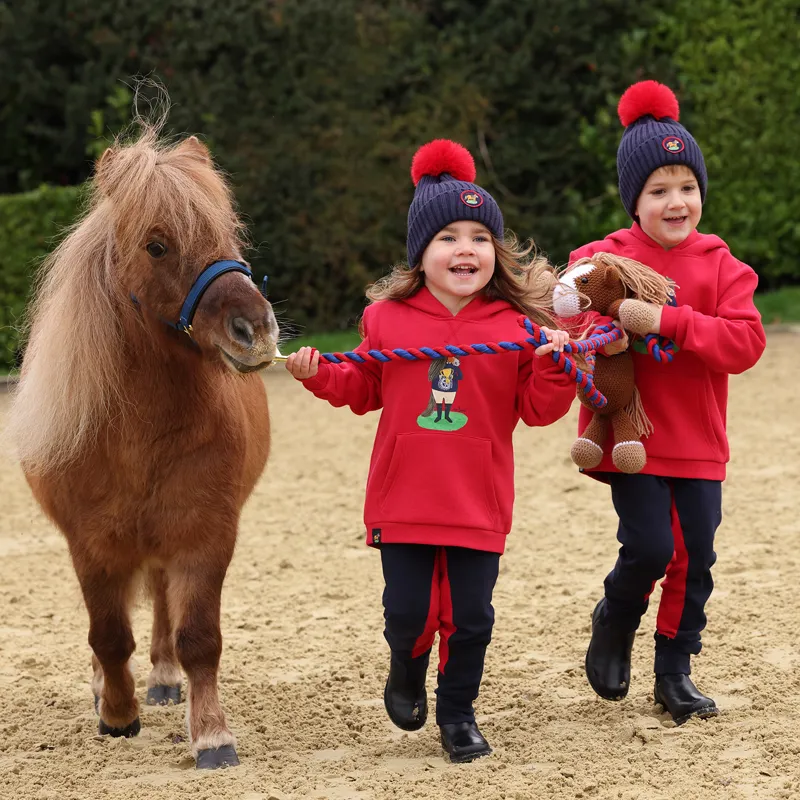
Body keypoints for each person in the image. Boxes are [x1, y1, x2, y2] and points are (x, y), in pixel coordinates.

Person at [287, 139, 574, 762]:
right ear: (422, 251)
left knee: (472, 618)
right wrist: (317, 374)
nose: (464, 248)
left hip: (479, 500)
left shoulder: (515, 327)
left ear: (495, 253)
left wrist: (555, 366)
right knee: (408, 614)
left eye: (478, 236)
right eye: (447, 236)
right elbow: (364, 386)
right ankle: (405, 669)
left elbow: (538, 410)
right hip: (405, 498)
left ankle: (459, 714)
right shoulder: (386, 319)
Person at [566, 81, 766, 725]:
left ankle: (674, 671)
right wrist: (596, 329)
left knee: (695, 557)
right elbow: (566, 312)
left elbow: (744, 343)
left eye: (687, 186)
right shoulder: (604, 259)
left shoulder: (724, 266)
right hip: (636, 439)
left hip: (700, 441)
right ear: (634, 200)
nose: (676, 201)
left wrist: (667, 320)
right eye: (658, 190)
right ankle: (616, 614)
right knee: (652, 547)